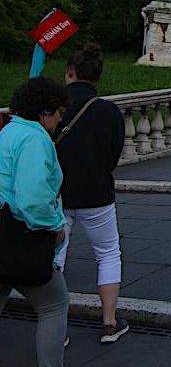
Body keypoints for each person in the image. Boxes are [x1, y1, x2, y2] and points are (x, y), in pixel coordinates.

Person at [54, 45, 128, 344]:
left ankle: (54, 326)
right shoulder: (108, 111)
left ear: (69, 73)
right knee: (108, 253)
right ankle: (109, 323)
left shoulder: (52, 109)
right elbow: (114, 153)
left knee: (56, 257)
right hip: (97, 192)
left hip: (58, 194)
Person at [0, 77, 70, 367]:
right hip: (21, 238)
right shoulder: (35, 139)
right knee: (55, 305)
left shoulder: (8, 132)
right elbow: (33, 197)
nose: (58, 123)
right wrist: (55, 227)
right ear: (45, 111)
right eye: (59, 114)